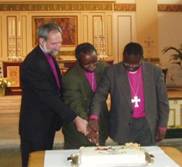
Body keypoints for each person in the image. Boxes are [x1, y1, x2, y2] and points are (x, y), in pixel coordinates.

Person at [19, 23, 87, 167]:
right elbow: (49, 96)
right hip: (35, 126)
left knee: (44, 160)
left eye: (60, 42)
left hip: (47, 123)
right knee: (34, 162)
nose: (59, 46)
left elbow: (57, 88)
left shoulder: (48, 56)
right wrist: (75, 118)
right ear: (41, 41)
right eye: (54, 43)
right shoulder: (33, 63)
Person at [87, 42, 169, 146]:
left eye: (135, 64)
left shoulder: (154, 72)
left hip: (147, 125)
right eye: (127, 63)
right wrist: (94, 117)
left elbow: (163, 100)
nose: (130, 67)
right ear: (123, 57)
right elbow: (99, 96)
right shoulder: (112, 72)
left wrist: (163, 125)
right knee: (125, 158)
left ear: (141, 58)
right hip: (123, 124)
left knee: (147, 157)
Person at [62, 42, 109, 149]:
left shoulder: (103, 67)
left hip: (100, 122)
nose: (92, 66)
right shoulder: (70, 78)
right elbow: (75, 105)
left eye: (94, 62)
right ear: (79, 61)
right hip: (78, 129)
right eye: (87, 64)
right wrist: (87, 127)